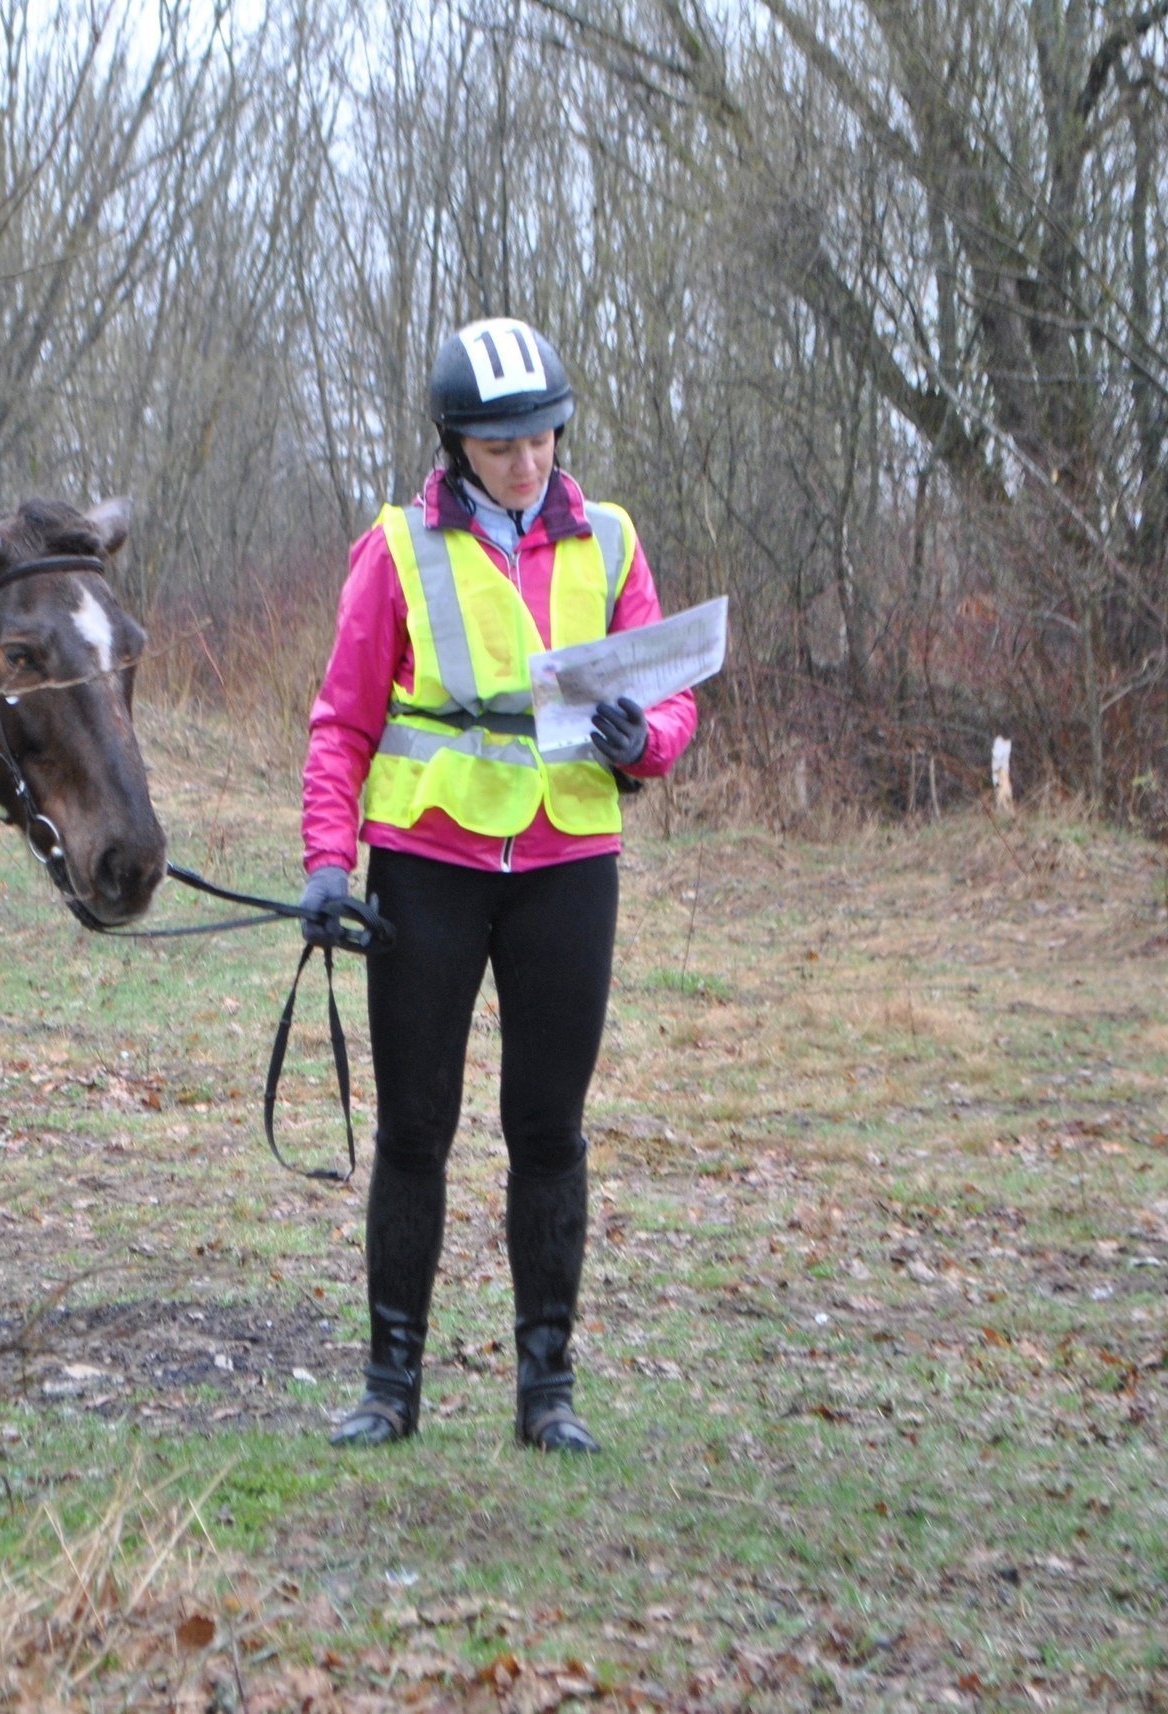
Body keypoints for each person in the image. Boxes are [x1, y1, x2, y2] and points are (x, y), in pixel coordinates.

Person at [298, 317, 698, 1453]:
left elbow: (670, 696)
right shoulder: (396, 549)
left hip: (568, 869)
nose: (525, 464)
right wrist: (329, 864)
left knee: (548, 1129)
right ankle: (389, 1384)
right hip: (427, 868)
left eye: (541, 440)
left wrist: (644, 739)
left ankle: (547, 1389)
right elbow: (342, 724)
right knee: (414, 1128)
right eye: (498, 446)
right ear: (453, 446)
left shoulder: (610, 542)